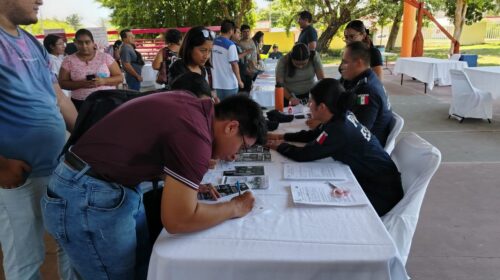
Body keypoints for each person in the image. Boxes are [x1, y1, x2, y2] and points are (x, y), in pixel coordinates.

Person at [41, 91, 267, 279]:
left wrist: (183, 181)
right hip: (87, 195)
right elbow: (178, 220)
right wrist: (235, 207)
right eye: (242, 147)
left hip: (99, 185)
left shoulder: (192, 106)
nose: (236, 155)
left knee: (141, 269)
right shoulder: (196, 135)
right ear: (231, 127)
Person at [0, 0, 78, 279]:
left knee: (70, 245)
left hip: (58, 167)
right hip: (18, 175)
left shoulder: (30, 41)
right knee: (26, 260)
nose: (40, 1)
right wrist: (1, 166)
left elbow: (57, 97)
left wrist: (87, 139)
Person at [267, 78, 403, 216]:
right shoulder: (340, 116)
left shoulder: (339, 129)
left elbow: (305, 154)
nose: (309, 105)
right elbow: (314, 135)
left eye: (311, 101)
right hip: (376, 179)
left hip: (381, 192)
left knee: (328, 213)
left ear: (322, 107)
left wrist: (280, 146)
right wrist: (282, 137)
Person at [340, 41, 393, 146]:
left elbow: (359, 131)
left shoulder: (367, 91)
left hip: (366, 148)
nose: (341, 66)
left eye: (345, 62)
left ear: (359, 63)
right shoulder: (364, 79)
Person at [59, 28, 123, 111]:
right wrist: (82, 84)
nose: (84, 46)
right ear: (75, 43)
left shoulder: (105, 57)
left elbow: (120, 78)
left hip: (107, 101)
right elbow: (62, 83)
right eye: (80, 43)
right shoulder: (68, 60)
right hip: (81, 103)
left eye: (87, 42)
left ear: (93, 42)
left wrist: (103, 81)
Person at [168, 26, 216, 99]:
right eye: (202, 50)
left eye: (209, 51)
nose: (206, 56)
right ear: (189, 48)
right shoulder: (177, 68)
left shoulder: (203, 70)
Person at [212, 20, 244, 100]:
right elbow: (234, 64)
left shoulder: (213, 42)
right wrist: (239, 81)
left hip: (216, 83)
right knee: (230, 110)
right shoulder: (230, 45)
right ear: (231, 31)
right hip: (229, 85)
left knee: (219, 109)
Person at [239, 24, 257, 90]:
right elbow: (241, 59)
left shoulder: (252, 40)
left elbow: (255, 53)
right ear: (241, 33)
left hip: (254, 68)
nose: (246, 33)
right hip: (247, 71)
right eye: (244, 31)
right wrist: (247, 70)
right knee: (247, 90)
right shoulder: (240, 43)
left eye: (248, 31)